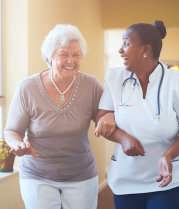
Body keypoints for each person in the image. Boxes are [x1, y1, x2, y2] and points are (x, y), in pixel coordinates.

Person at [95, 20, 179, 209]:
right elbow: (102, 119)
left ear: (146, 50)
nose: (120, 50)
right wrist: (123, 137)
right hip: (126, 180)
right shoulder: (114, 78)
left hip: (170, 178)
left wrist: (168, 155)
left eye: (126, 44)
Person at [4, 24, 104, 209]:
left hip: (81, 174)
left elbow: (104, 117)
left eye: (76, 55)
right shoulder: (27, 88)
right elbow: (11, 130)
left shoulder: (91, 85)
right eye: (64, 54)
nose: (71, 60)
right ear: (50, 57)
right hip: (37, 174)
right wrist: (18, 144)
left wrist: (107, 119)